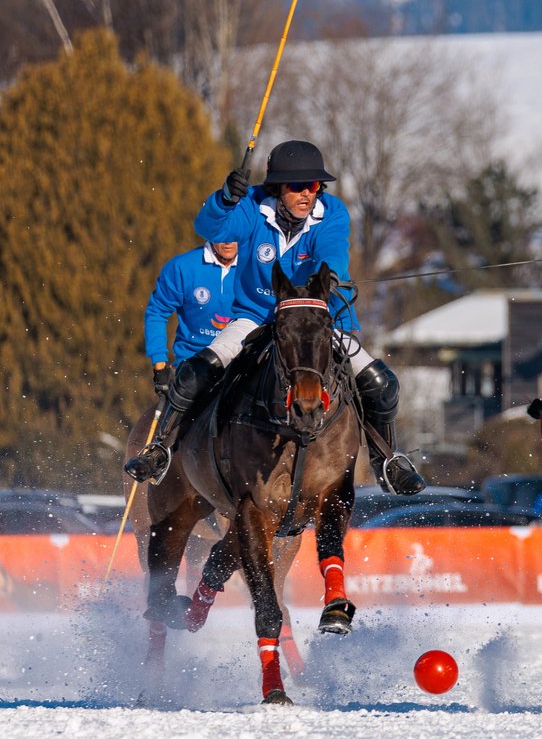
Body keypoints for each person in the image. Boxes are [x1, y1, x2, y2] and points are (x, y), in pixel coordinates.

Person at [123, 140, 426, 495]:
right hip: (257, 317)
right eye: (297, 187)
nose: (306, 195)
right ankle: (160, 448)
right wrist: (223, 200)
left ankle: (386, 460)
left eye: (313, 187)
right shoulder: (252, 206)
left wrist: (328, 275)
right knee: (195, 373)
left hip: (315, 321)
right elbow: (211, 229)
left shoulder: (333, 212)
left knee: (382, 383)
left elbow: (332, 249)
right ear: (277, 188)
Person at [143, 241, 239, 396]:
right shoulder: (182, 267)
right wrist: (159, 364)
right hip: (193, 367)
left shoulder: (256, 268)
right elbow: (157, 312)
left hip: (242, 366)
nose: (228, 241)